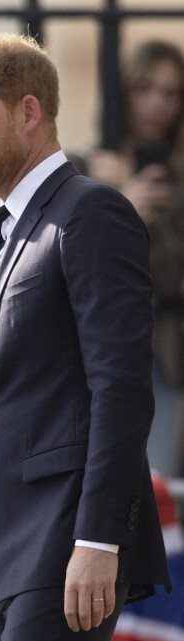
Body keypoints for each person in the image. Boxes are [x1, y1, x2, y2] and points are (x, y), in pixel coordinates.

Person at [0, 32, 172, 641]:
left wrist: (98, 541)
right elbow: (13, 390)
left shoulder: (93, 212)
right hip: (5, 555)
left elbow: (121, 388)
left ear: (29, 112)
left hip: (66, 545)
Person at [85, 40, 184, 478]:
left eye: (171, 93)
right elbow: (71, 259)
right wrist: (121, 203)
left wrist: (148, 213)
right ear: (124, 92)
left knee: (155, 486)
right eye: (146, 89)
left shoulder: (177, 179)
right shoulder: (83, 166)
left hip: (161, 352)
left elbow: (169, 275)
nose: (157, 105)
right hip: (88, 348)